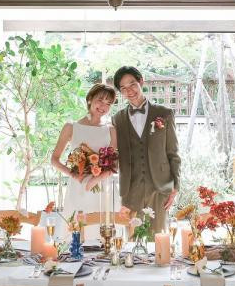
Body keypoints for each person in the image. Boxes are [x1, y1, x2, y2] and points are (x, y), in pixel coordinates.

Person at [112, 66, 180, 234]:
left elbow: (173, 153)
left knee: (159, 239)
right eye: (123, 88)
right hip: (130, 191)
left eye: (132, 84)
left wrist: (176, 186)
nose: (129, 91)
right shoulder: (117, 119)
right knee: (132, 242)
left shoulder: (164, 113)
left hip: (159, 188)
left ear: (141, 81)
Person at [51, 83, 118, 228]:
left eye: (108, 103)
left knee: (103, 230)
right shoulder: (71, 127)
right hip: (78, 186)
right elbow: (54, 159)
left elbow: (113, 164)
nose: (104, 106)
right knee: (76, 229)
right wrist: (74, 175)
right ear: (90, 99)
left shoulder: (111, 130)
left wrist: (95, 180)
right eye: (100, 100)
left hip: (103, 188)